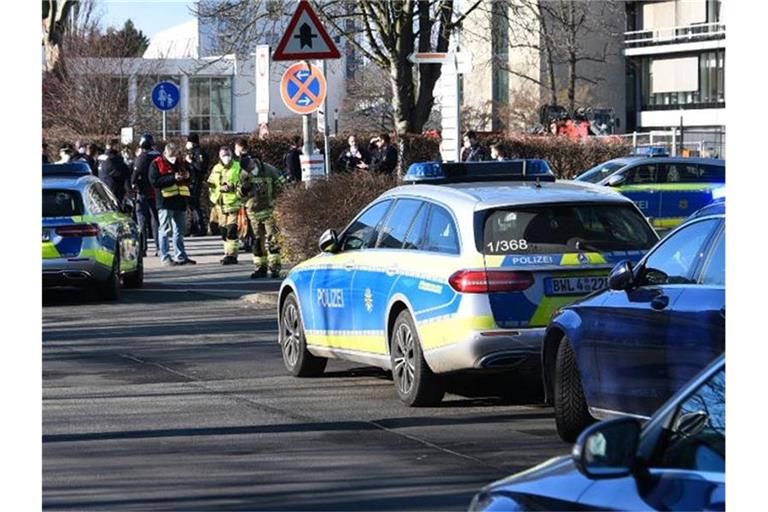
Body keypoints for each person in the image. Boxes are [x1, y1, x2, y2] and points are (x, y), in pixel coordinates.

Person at [149, 142, 196, 266]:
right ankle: (165, 257)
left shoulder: (181, 163)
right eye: (171, 154)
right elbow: (155, 182)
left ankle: (181, 256)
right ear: (165, 152)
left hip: (180, 201)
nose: (173, 157)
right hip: (165, 202)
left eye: (175, 154)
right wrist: (173, 178)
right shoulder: (156, 163)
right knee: (165, 230)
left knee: (179, 231)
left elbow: (191, 177)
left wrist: (187, 175)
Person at [240, 154, 283, 278]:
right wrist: (243, 190)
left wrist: (277, 202)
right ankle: (260, 267)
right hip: (253, 213)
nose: (249, 171)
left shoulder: (269, 170)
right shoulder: (243, 174)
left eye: (250, 167)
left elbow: (282, 185)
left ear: (253, 162)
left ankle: (275, 267)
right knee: (257, 241)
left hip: (269, 211)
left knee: (273, 239)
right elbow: (240, 194)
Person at [208, 146, 244, 265]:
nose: (226, 157)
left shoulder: (238, 167)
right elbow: (211, 185)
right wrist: (215, 197)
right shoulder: (216, 168)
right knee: (223, 232)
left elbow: (244, 184)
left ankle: (232, 256)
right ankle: (227, 253)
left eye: (228, 154)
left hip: (234, 203)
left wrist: (232, 187)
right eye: (223, 155)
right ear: (219, 156)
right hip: (220, 205)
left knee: (232, 231)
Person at [131, 134, 161, 257]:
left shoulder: (141, 158)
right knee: (156, 220)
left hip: (142, 192)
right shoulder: (159, 156)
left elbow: (135, 175)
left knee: (142, 220)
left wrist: (133, 185)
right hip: (156, 191)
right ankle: (160, 247)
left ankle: (142, 248)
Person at [184, 133, 208, 236]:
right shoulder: (192, 152)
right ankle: (194, 227)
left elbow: (200, 167)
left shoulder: (198, 152)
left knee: (194, 205)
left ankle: (200, 228)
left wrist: (190, 162)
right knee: (192, 205)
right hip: (191, 181)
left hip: (195, 182)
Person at [97, 138, 132, 204]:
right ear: (114, 146)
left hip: (101, 187)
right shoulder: (115, 158)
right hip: (114, 189)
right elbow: (124, 173)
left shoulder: (100, 157)